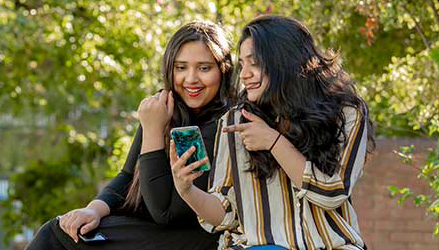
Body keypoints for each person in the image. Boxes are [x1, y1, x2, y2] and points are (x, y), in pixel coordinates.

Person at [25, 20, 235, 250]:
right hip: (153, 231)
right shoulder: (164, 108)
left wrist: (154, 131)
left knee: (58, 238)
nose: (191, 79)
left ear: (222, 70)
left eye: (204, 68)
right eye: (181, 67)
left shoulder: (224, 125)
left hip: (198, 237)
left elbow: (165, 212)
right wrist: (93, 210)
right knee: (60, 230)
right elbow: (127, 176)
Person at [170, 15, 375, 250]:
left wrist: (273, 141)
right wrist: (186, 190)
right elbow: (226, 214)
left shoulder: (346, 113)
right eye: (242, 64)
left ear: (283, 60)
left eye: (254, 63)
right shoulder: (236, 120)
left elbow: (332, 193)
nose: (244, 74)